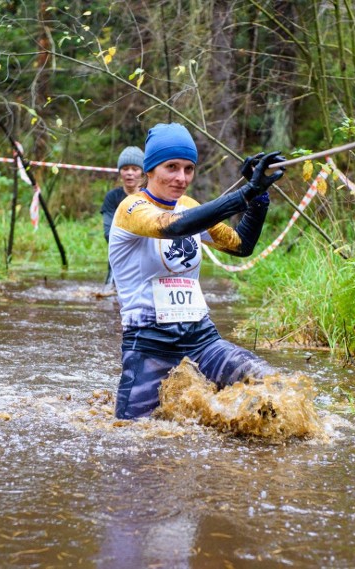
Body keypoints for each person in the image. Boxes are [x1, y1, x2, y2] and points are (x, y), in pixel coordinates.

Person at [107, 122, 285, 419]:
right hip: (149, 345)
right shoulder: (131, 208)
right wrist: (243, 193)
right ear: (149, 170)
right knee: (132, 434)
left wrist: (258, 199)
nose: (181, 178)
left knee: (273, 389)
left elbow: (240, 245)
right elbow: (174, 226)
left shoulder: (189, 204)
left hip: (202, 339)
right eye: (171, 167)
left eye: (188, 169)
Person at [100, 146, 144, 287]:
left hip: (146, 259)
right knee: (109, 297)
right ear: (120, 172)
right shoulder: (112, 197)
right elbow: (108, 233)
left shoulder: (150, 196)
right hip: (119, 256)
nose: (129, 173)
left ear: (142, 172)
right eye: (125, 169)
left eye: (134, 169)